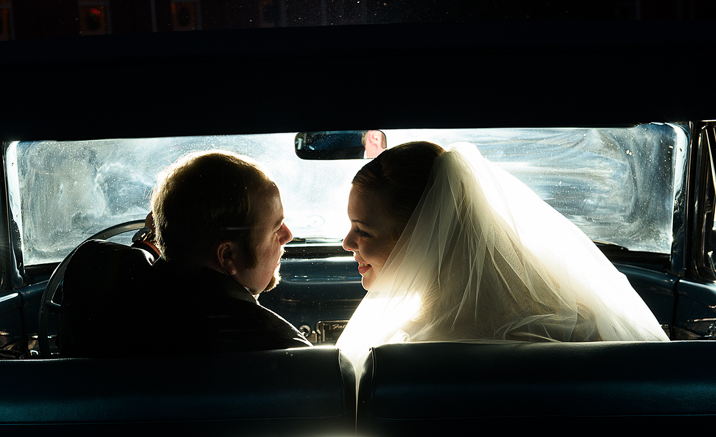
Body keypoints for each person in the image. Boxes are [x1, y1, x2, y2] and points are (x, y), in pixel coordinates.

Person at [336, 141, 669, 374]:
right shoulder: (580, 327)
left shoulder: (399, 355)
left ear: (419, 235)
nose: (346, 242)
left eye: (363, 231)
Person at [59, 150, 311, 358]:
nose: (287, 235)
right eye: (276, 228)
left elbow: (128, 270)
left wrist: (161, 236)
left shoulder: (93, 279)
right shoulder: (282, 348)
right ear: (227, 257)